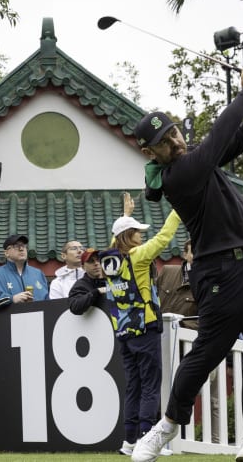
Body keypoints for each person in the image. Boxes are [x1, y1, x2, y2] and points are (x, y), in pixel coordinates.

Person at [130, 67, 243, 462]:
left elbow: (239, 137)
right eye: (164, 140)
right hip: (221, 273)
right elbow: (218, 138)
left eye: (174, 131)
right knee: (207, 353)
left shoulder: (197, 160)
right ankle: (165, 427)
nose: (174, 140)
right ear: (152, 153)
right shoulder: (177, 176)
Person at [95, 192, 180, 459]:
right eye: (136, 232)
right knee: (151, 385)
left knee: (133, 386)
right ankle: (146, 440)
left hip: (123, 331)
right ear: (127, 237)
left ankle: (129, 441)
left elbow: (114, 240)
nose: (141, 235)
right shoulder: (140, 256)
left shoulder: (110, 260)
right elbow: (165, 237)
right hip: (146, 327)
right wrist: (179, 209)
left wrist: (126, 215)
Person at [157, 237, 222, 444]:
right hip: (166, 344)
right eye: (194, 250)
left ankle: (214, 441)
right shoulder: (167, 272)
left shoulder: (214, 279)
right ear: (185, 254)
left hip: (200, 343)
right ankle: (165, 438)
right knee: (163, 392)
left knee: (212, 397)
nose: (198, 255)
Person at [0, 234, 49, 310]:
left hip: (38, 320)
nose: (21, 249)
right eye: (16, 246)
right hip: (9, 321)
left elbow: (49, 302)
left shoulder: (38, 274)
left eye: (24, 246)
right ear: (6, 253)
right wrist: (12, 299)